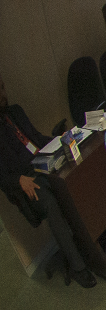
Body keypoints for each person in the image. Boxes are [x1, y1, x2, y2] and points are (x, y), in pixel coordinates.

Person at [1, 74, 92, 286]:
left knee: (75, 175)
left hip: (43, 165)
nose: (2, 94)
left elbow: (37, 139)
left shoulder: (15, 111)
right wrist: (18, 181)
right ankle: (79, 267)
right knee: (50, 201)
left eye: (2, 87)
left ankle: (95, 237)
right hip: (26, 181)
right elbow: (2, 176)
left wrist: (60, 139)